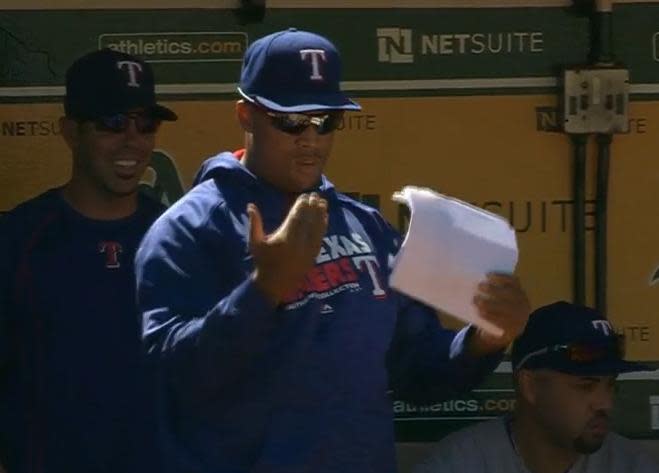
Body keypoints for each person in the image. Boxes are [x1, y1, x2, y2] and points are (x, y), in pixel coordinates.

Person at [135, 28, 530, 473]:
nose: (311, 138)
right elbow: (175, 380)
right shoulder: (188, 229)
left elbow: (417, 371)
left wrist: (484, 340)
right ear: (246, 116)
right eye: (290, 121)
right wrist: (263, 292)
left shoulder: (366, 226)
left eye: (326, 121)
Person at [0, 48, 177, 473]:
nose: (132, 140)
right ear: (70, 131)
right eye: (111, 123)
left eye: (145, 123)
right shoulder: (19, 238)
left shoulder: (177, 236)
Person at [414, 301, 659, 473]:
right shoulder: (460, 463)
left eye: (610, 385)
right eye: (586, 386)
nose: (605, 402)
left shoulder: (633, 466)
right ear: (529, 386)